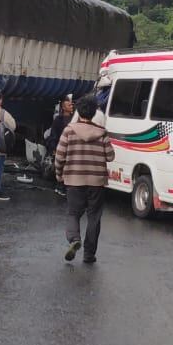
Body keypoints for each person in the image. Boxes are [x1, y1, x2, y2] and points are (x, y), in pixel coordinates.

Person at [55, 94, 116, 264]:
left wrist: (59, 174)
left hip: (74, 180)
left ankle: (74, 239)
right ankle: (89, 254)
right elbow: (110, 156)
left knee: (73, 213)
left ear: (79, 111)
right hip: (97, 182)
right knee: (94, 217)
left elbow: (59, 156)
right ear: (95, 112)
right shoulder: (102, 133)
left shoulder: (69, 130)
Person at [45, 95, 75, 197]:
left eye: (71, 104)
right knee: (61, 167)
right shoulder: (58, 120)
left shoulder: (74, 119)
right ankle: (60, 187)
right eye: (69, 104)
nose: (71, 106)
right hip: (61, 146)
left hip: (71, 147)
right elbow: (54, 134)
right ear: (63, 107)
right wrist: (53, 148)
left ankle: (64, 187)